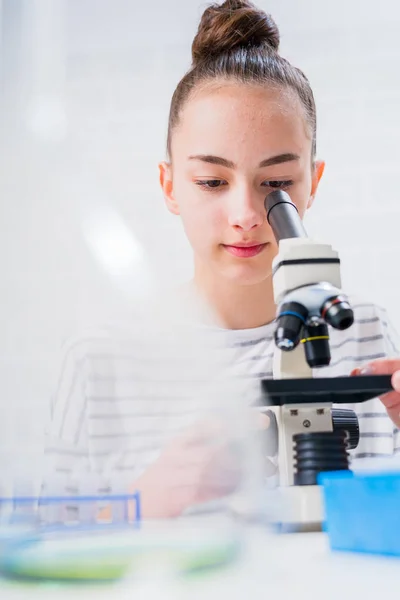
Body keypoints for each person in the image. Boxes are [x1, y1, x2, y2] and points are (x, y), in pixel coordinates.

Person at [45, 0, 400, 519]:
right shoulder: (98, 360)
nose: (247, 215)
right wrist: (141, 506)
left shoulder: (364, 331)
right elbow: (40, 563)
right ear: (170, 186)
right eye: (212, 182)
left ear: (312, 184)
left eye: (276, 184)